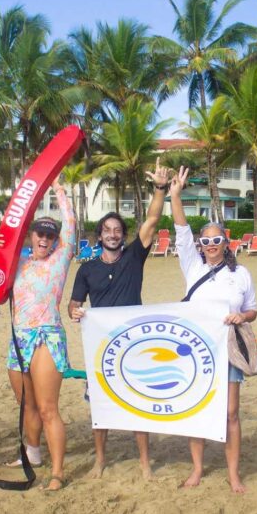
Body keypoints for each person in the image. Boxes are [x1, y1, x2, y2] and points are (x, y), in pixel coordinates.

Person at [68, 160, 172, 480]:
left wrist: (159, 189)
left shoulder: (133, 256)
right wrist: (73, 312)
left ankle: (144, 463)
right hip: (102, 346)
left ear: (123, 235)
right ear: (99, 235)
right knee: (101, 407)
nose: (112, 234)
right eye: (107, 230)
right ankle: (100, 460)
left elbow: (152, 219)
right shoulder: (86, 269)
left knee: (138, 404)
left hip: (135, 343)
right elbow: (74, 304)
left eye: (117, 230)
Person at [169, 167, 257, 493]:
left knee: (231, 414)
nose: (210, 245)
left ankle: (234, 474)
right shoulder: (192, 265)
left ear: (225, 242)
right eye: (205, 240)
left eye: (216, 239)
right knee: (198, 410)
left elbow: (252, 309)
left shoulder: (242, 274)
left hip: (229, 348)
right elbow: (180, 230)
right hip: (196, 349)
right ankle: (197, 469)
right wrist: (175, 195)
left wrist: (242, 318)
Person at [0, 181, 76, 492]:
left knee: (48, 407)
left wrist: (60, 194)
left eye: (50, 234)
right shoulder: (18, 262)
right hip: (19, 338)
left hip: (47, 337)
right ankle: (33, 453)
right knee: (26, 405)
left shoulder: (60, 259)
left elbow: (71, 225)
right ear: (31, 235)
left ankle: (57, 472)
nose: (44, 238)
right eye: (40, 233)